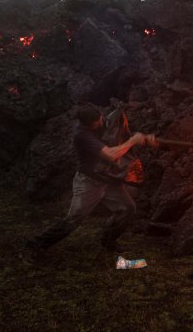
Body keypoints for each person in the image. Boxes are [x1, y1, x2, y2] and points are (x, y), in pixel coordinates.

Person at [25, 103, 156, 253]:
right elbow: (111, 155)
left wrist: (144, 138)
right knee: (74, 219)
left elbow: (117, 133)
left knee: (127, 208)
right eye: (97, 122)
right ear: (87, 124)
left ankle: (108, 241)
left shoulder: (100, 123)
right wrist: (133, 141)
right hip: (89, 182)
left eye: (101, 119)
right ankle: (37, 245)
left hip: (107, 179)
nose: (101, 123)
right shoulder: (82, 136)